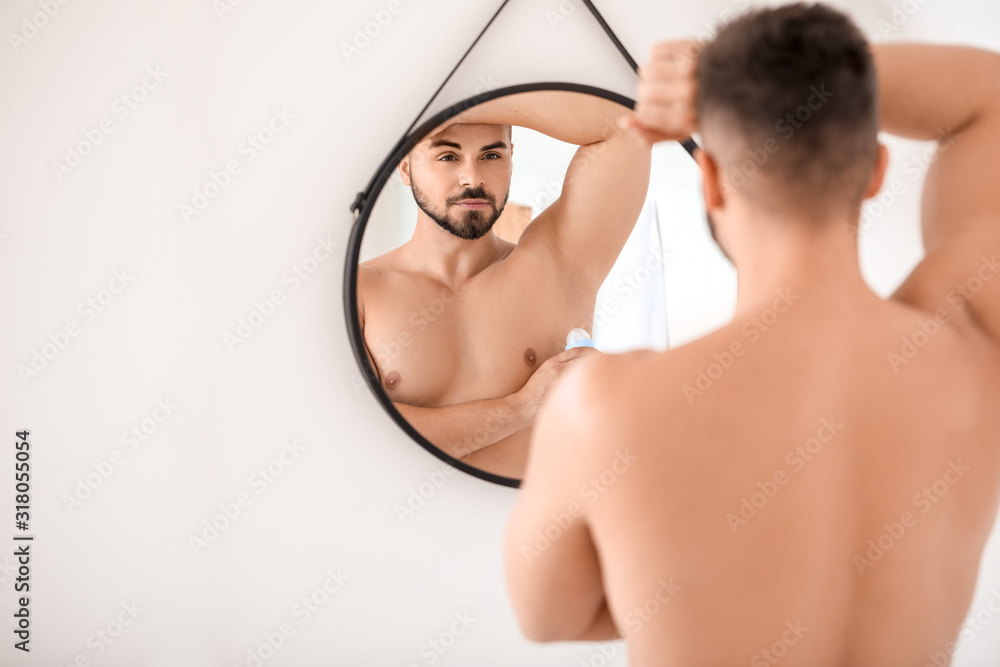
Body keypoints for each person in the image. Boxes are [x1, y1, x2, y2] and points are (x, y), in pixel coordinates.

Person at [504, 4, 1000, 664]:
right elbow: (990, 97)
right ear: (875, 169)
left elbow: (548, 615)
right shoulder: (972, 352)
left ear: (709, 181)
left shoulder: (605, 408)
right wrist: (794, 84)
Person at [357, 91, 647, 479]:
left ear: (512, 157)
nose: (472, 179)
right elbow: (364, 436)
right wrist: (522, 408)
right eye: (448, 156)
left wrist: (455, 106)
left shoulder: (558, 263)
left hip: (539, 535)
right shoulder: (362, 291)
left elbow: (625, 126)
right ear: (405, 167)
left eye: (491, 155)